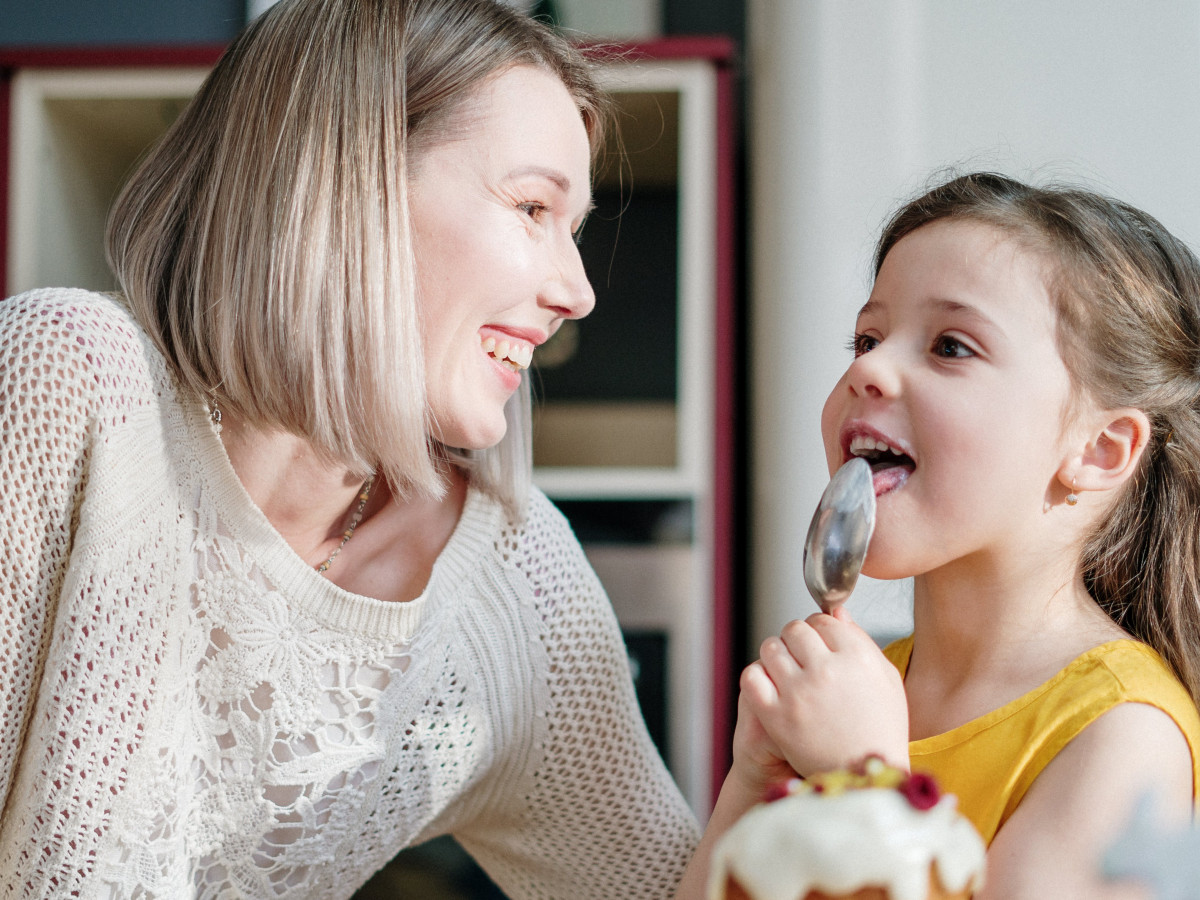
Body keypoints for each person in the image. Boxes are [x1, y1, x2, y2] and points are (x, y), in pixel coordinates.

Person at [0, 1, 713, 896]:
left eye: (570, 232)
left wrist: (774, 778)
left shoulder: (514, 582)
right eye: (532, 206)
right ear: (345, 184)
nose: (576, 292)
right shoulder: (70, 384)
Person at [739, 172, 1200, 896]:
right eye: (867, 337)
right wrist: (752, 776)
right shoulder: (864, 687)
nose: (869, 368)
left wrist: (866, 782)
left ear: (1098, 450)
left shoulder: (1122, 733)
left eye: (951, 347)